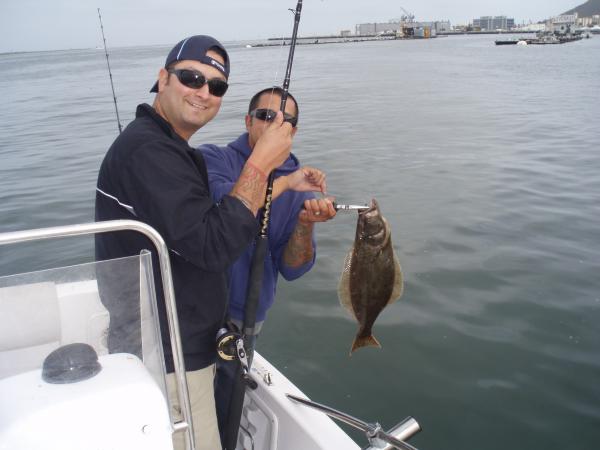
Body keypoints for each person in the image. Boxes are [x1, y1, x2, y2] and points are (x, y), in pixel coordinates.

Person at [94, 36, 295, 450]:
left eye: (216, 86)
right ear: (162, 79)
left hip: (183, 343)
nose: (204, 92)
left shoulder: (167, 148)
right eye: (191, 77)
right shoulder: (148, 151)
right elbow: (214, 245)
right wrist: (262, 162)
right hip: (169, 355)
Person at [199, 86, 336, 444]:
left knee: (227, 409)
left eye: (287, 121)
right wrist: (284, 182)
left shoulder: (301, 187)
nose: (277, 125)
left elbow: (293, 268)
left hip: (247, 323)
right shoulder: (212, 158)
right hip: (196, 310)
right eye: (266, 116)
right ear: (248, 121)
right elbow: (223, 203)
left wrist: (305, 223)